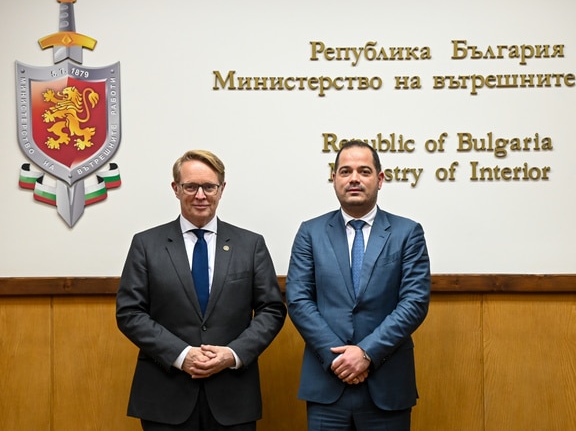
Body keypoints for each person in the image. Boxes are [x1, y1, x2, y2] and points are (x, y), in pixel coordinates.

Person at [116, 149, 286, 431]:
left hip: (233, 396)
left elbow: (272, 310)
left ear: (221, 189)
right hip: (165, 396)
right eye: (191, 186)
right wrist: (182, 355)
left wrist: (233, 354)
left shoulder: (250, 245)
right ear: (176, 188)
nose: (200, 195)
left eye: (209, 186)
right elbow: (130, 313)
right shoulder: (146, 245)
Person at [285, 140, 431, 431]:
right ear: (334, 179)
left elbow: (414, 303)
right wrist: (339, 359)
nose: (354, 178)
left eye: (364, 171)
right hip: (327, 382)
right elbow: (299, 300)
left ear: (380, 179)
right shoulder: (310, 232)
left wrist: (366, 353)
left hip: (386, 384)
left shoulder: (407, 233)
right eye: (345, 171)